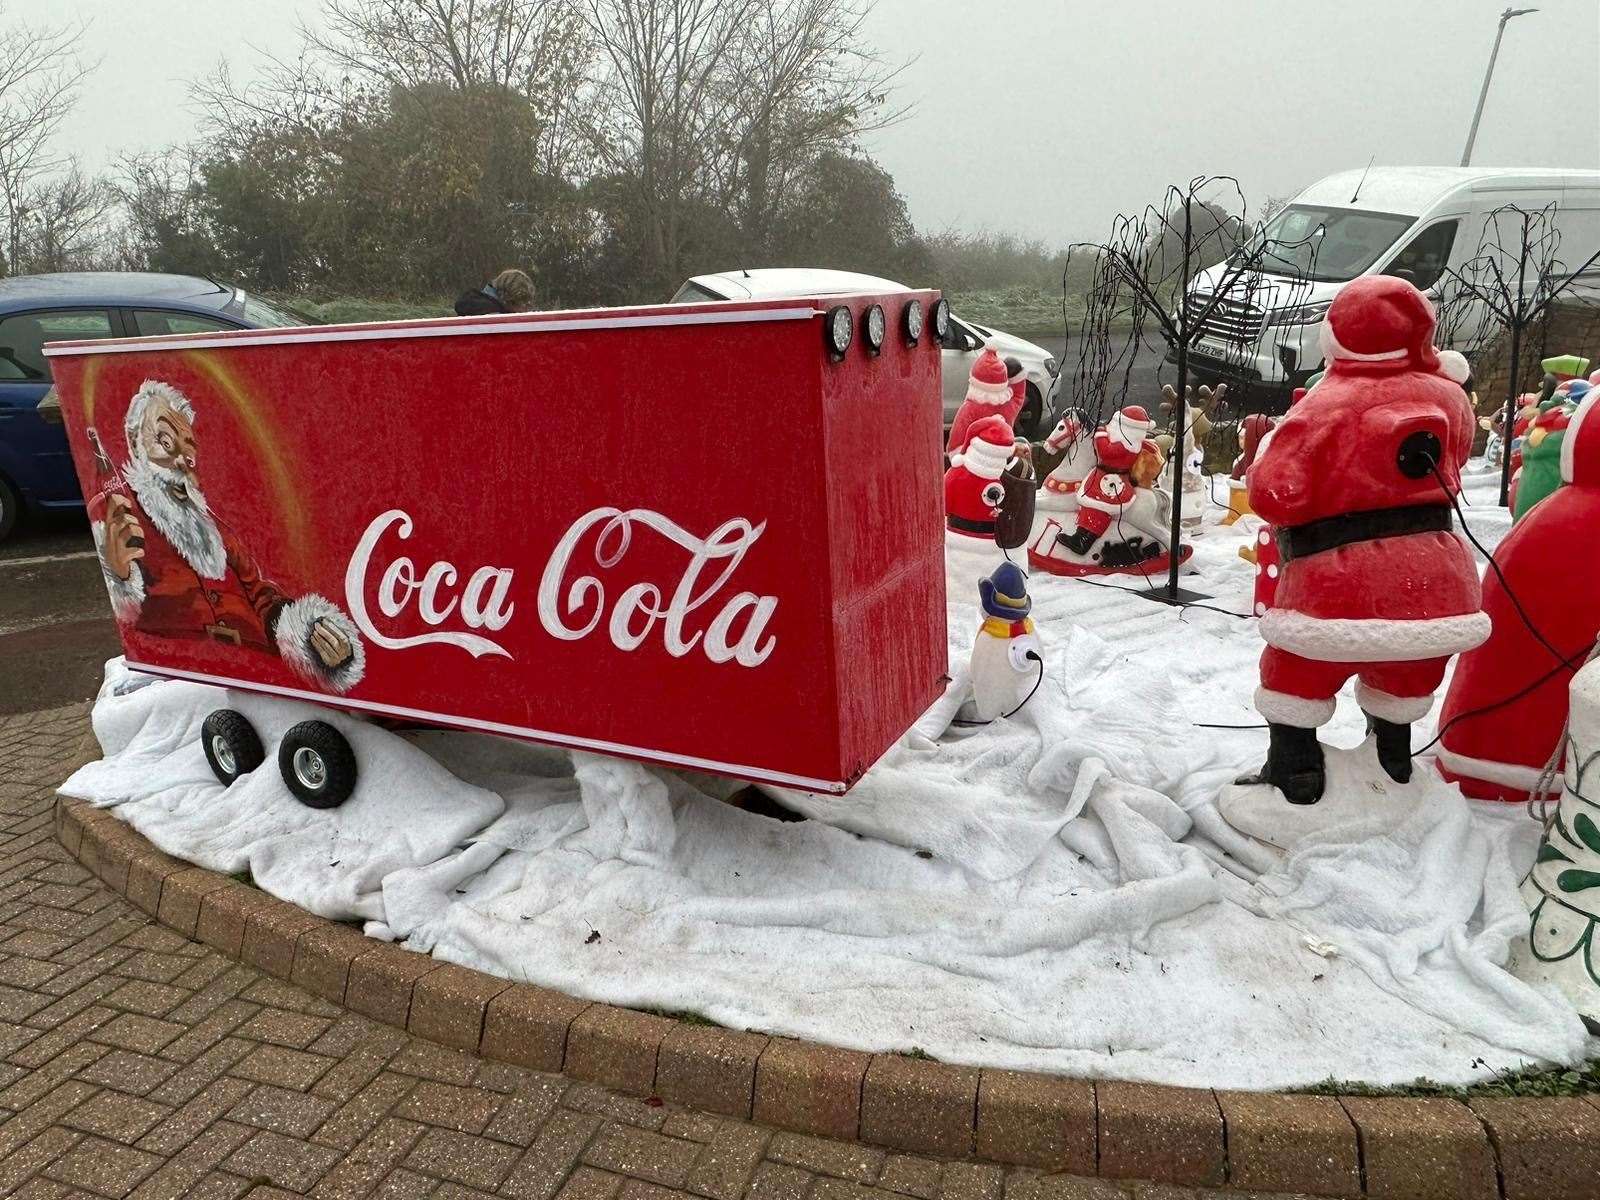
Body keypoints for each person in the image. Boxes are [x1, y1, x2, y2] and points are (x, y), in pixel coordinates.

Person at [454, 269, 536, 317]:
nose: (525, 311)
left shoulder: (475, 305)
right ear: (510, 300)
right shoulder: (491, 314)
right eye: (524, 304)